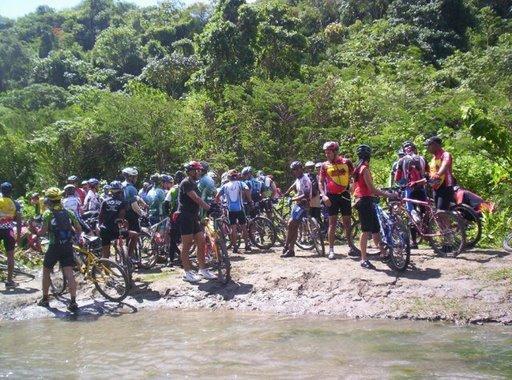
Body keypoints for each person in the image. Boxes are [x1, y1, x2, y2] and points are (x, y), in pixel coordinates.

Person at [37, 187, 81, 312]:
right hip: (67, 246)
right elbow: (78, 228)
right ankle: (73, 302)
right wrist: (76, 238)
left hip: (54, 246)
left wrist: (36, 232)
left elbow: (43, 231)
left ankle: (45, 299)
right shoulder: (68, 212)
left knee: (46, 271)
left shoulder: (48, 213)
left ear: (49, 201)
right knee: (69, 273)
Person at [352, 145, 394, 269]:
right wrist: (387, 194)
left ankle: (383, 253)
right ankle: (363, 259)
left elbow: (354, 188)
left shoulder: (357, 168)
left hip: (364, 199)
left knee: (375, 229)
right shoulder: (364, 169)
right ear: (368, 156)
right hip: (364, 201)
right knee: (365, 230)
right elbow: (371, 189)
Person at [318, 141, 359, 260]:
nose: (327, 155)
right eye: (325, 153)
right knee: (332, 223)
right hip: (331, 196)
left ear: (335, 152)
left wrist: (353, 186)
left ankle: (351, 246)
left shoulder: (347, 162)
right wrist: (323, 195)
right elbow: (320, 181)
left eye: (329, 152)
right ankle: (331, 250)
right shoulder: (324, 165)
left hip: (345, 194)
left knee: (347, 223)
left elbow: (355, 175)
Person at [177, 161, 216, 283]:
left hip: (194, 216)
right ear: (189, 172)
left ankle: (203, 269)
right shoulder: (186, 183)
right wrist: (209, 208)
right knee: (187, 244)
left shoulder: (194, 183)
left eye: (199, 170)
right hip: (185, 216)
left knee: (202, 241)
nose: (198, 172)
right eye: (196, 170)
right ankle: (187, 272)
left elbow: (201, 198)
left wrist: (211, 205)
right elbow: (196, 198)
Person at [394, 141, 428, 249]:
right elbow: (427, 173)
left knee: (411, 214)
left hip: (410, 190)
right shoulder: (422, 159)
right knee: (425, 212)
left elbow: (397, 178)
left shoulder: (402, 160)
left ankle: (414, 242)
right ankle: (428, 233)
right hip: (422, 188)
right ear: (415, 149)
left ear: (404, 150)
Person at [215, 169, 252, 253]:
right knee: (243, 227)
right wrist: (250, 200)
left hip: (230, 209)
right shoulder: (240, 183)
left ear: (228, 177)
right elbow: (246, 189)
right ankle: (247, 245)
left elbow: (217, 196)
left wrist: (219, 204)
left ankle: (235, 247)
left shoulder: (225, 186)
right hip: (240, 208)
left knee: (233, 228)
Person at [281, 162, 312, 258]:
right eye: (294, 170)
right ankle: (291, 250)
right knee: (293, 226)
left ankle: (286, 246)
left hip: (304, 204)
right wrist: (287, 192)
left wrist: (293, 199)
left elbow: (306, 195)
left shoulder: (305, 179)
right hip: (298, 204)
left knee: (291, 224)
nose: (296, 171)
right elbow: (294, 185)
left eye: (297, 169)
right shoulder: (299, 179)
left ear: (301, 169)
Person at [98, 181, 130, 259]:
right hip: (116, 230)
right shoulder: (123, 201)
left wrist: (99, 226)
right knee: (135, 234)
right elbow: (121, 216)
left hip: (105, 229)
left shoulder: (105, 201)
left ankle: (106, 270)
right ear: (121, 190)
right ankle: (129, 256)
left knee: (106, 253)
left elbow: (100, 216)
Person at [0, 182, 22, 288]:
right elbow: (18, 221)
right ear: (11, 191)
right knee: (10, 256)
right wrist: (18, 236)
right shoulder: (15, 203)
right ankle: (9, 281)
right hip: (9, 231)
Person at [425, 136, 455, 210]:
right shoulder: (433, 159)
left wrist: (438, 174)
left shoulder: (445, 155)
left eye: (429, 145)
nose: (427, 147)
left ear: (436, 145)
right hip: (436, 187)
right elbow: (430, 173)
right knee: (438, 213)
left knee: (441, 212)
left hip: (445, 187)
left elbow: (445, 165)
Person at [122, 167, 146, 257]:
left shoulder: (122, 185)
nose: (136, 179)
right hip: (131, 214)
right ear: (130, 177)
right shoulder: (131, 188)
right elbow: (134, 205)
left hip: (122, 214)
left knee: (128, 235)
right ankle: (131, 257)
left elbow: (136, 197)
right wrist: (142, 213)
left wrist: (143, 203)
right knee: (135, 235)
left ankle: (125, 255)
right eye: (135, 177)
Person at [165, 171, 185, 264]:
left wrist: (168, 214)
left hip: (174, 216)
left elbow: (166, 202)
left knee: (173, 238)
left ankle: (171, 259)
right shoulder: (186, 188)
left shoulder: (173, 189)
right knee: (184, 238)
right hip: (184, 215)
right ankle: (183, 258)